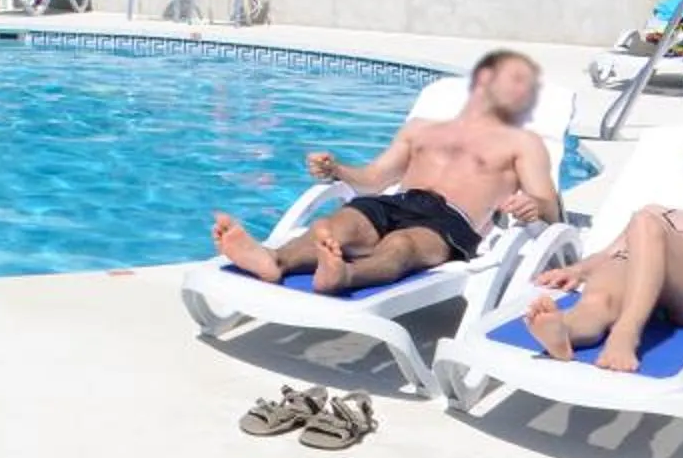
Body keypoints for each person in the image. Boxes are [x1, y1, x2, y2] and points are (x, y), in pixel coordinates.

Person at [211, 49, 560, 294]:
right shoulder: (421, 128)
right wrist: (338, 169)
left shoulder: (523, 142)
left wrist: (535, 206)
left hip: (450, 220)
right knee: (337, 225)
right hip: (397, 202)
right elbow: (376, 178)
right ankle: (274, 260)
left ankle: (345, 274)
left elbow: (551, 207)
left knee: (402, 244)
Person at [522, 136, 683, 371]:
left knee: (645, 222)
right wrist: (575, 271)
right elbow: (608, 254)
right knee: (600, 298)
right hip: (641, 276)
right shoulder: (661, 212)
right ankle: (565, 331)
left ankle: (626, 333)